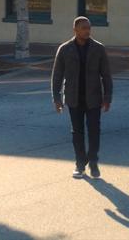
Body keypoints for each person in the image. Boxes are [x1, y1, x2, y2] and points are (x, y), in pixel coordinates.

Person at [52, 16, 113, 179]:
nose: (87, 31)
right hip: (74, 98)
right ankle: (80, 164)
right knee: (77, 132)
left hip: (93, 97)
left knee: (94, 131)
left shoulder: (98, 48)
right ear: (75, 30)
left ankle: (93, 161)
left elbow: (106, 75)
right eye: (83, 28)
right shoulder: (65, 49)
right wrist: (56, 98)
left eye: (89, 28)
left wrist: (108, 97)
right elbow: (57, 75)